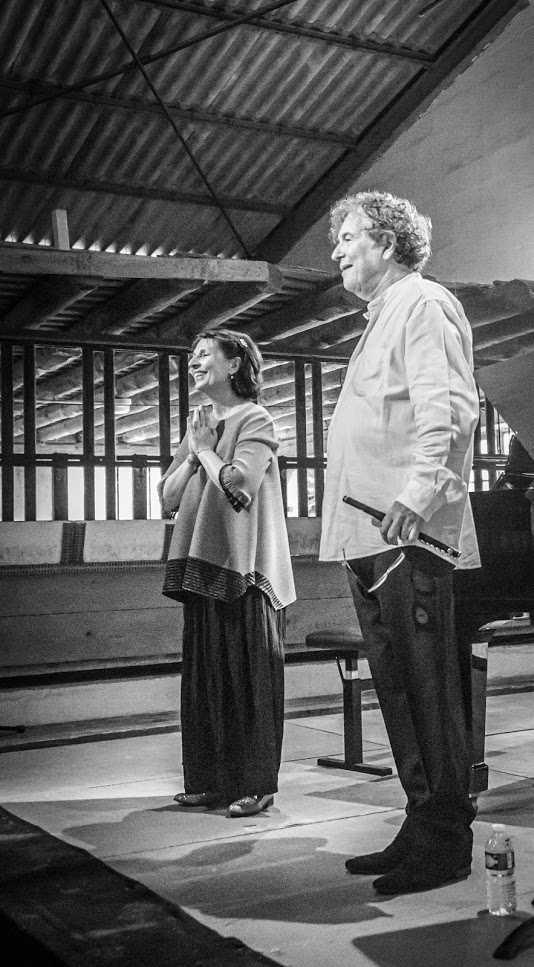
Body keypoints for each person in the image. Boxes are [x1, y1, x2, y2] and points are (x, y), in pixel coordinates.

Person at [319, 191, 481, 895]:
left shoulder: (423, 302)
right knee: (398, 692)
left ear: (387, 242)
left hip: (406, 531)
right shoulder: (382, 314)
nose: (336, 250)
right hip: (369, 532)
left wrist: (419, 494)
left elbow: (449, 407)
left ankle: (446, 843)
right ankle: (422, 822)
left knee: (428, 691)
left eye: (348, 236)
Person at [159, 328, 295, 818]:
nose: (194, 363)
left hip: (248, 571)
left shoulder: (255, 418)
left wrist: (205, 451)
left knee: (249, 683)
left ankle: (257, 785)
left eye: (203, 355)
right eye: (191, 356)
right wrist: (197, 450)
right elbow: (168, 495)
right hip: (203, 568)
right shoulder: (199, 424)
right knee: (206, 681)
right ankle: (209, 781)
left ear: (234, 363)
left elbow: (239, 484)